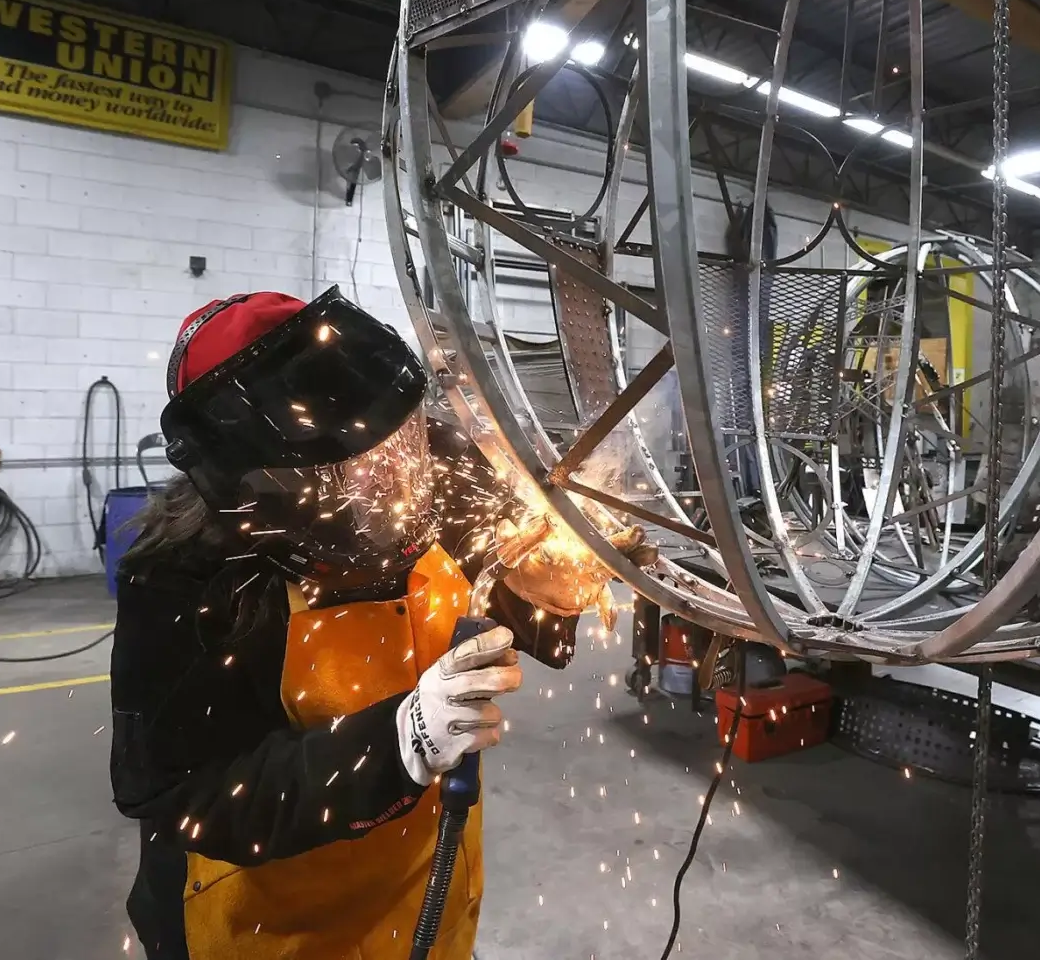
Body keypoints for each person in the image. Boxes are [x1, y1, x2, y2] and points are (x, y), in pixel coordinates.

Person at [110, 287, 649, 960]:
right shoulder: (188, 576)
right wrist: (399, 742)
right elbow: (185, 793)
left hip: (428, 907)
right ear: (269, 482)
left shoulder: (422, 473)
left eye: (404, 438)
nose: (396, 478)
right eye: (353, 463)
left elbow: (515, 595)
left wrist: (556, 587)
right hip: (271, 933)